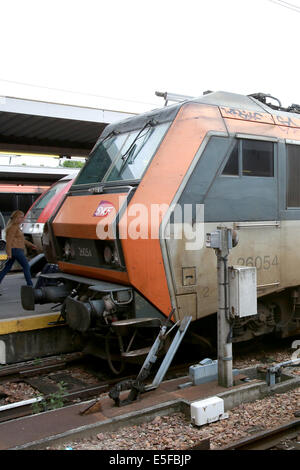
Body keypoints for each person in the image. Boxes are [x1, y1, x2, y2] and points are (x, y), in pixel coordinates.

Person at [0, 210, 37, 294]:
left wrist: (31, 245)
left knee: (6, 269)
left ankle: (30, 285)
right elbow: (8, 241)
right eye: (21, 217)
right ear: (16, 218)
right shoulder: (13, 227)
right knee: (26, 266)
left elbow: (22, 240)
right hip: (16, 250)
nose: (23, 219)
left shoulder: (16, 227)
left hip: (16, 250)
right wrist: (9, 253)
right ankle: (30, 286)